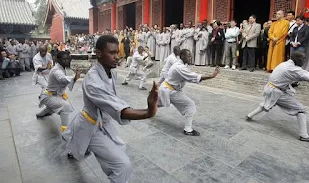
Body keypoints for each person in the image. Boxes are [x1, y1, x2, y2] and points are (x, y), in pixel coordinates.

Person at [62, 35, 158, 183]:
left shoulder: (111, 72)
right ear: (99, 53)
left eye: (117, 52)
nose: (116, 57)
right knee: (122, 165)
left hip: (103, 123)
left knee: (120, 147)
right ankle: (76, 146)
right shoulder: (92, 81)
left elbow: (113, 101)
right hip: (90, 126)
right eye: (112, 53)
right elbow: (116, 108)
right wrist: (148, 112)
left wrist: (146, 111)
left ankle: (75, 147)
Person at [245, 52, 309, 143]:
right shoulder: (292, 69)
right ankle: (304, 135)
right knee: (301, 109)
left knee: (266, 104)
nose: (304, 61)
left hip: (270, 88)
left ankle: (249, 116)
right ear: (297, 59)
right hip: (277, 92)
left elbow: (282, 77)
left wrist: (291, 83)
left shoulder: (284, 64)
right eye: (303, 59)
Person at [158, 49, 220, 136]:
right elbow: (194, 76)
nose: (190, 57)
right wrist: (212, 76)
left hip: (166, 88)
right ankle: (188, 129)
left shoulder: (181, 64)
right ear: (182, 56)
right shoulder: (179, 67)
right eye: (189, 56)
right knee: (190, 105)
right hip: (171, 90)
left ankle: (146, 110)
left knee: (158, 103)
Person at [36, 51, 80, 132]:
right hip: (49, 96)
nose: (66, 61)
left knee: (52, 108)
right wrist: (74, 78)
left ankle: (41, 114)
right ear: (58, 60)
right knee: (65, 106)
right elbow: (61, 79)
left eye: (68, 59)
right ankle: (65, 130)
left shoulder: (63, 68)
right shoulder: (56, 70)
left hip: (55, 95)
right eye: (64, 59)